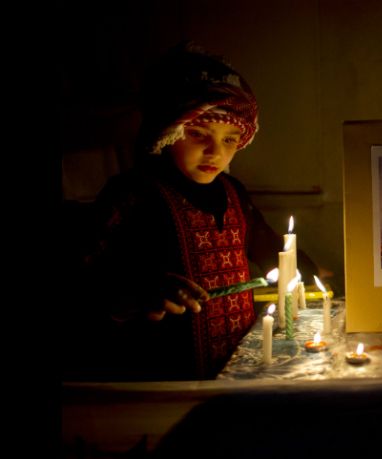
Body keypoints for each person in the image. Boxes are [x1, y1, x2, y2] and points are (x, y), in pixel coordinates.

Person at [72, 42, 321, 381]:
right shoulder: (132, 195)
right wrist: (139, 292)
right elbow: (82, 280)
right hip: (160, 381)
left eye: (230, 139)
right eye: (198, 133)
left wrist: (306, 269)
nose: (215, 152)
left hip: (235, 371)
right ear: (166, 131)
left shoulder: (233, 193)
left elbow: (266, 245)